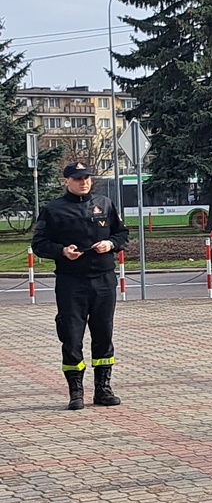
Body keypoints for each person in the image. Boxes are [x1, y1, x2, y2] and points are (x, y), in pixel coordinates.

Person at [33, 161, 128, 410]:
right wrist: (63, 251)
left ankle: (103, 389)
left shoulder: (105, 203)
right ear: (66, 182)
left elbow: (122, 234)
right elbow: (39, 244)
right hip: (71, 282)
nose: (84, 182)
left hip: (104, 279)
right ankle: (76, 392)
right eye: (77, 179)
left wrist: (111, 244)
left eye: (87, 178)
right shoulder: (54, 210)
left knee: (103, 334)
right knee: (72, 337)